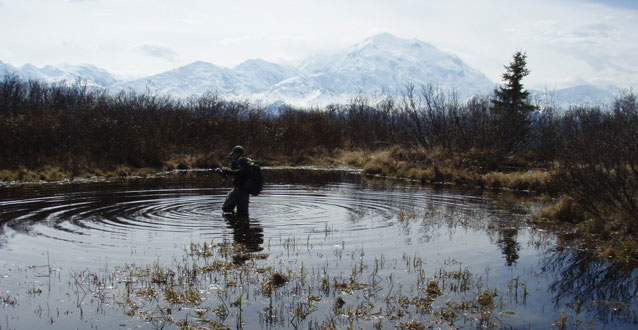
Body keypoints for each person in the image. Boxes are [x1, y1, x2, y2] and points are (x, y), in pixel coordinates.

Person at [216, 146, 251, 216]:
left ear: (238, 154)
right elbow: (236, 175)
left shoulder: (243, 162)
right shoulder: (243, 162)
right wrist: (225, 178)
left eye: (234, 154)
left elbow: (240, 173)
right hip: (245, 192)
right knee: (243, 212)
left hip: (239, 190)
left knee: (226, 209)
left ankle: (233, 224)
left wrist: (227, 171)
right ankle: (242, 225)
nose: (232, 156)